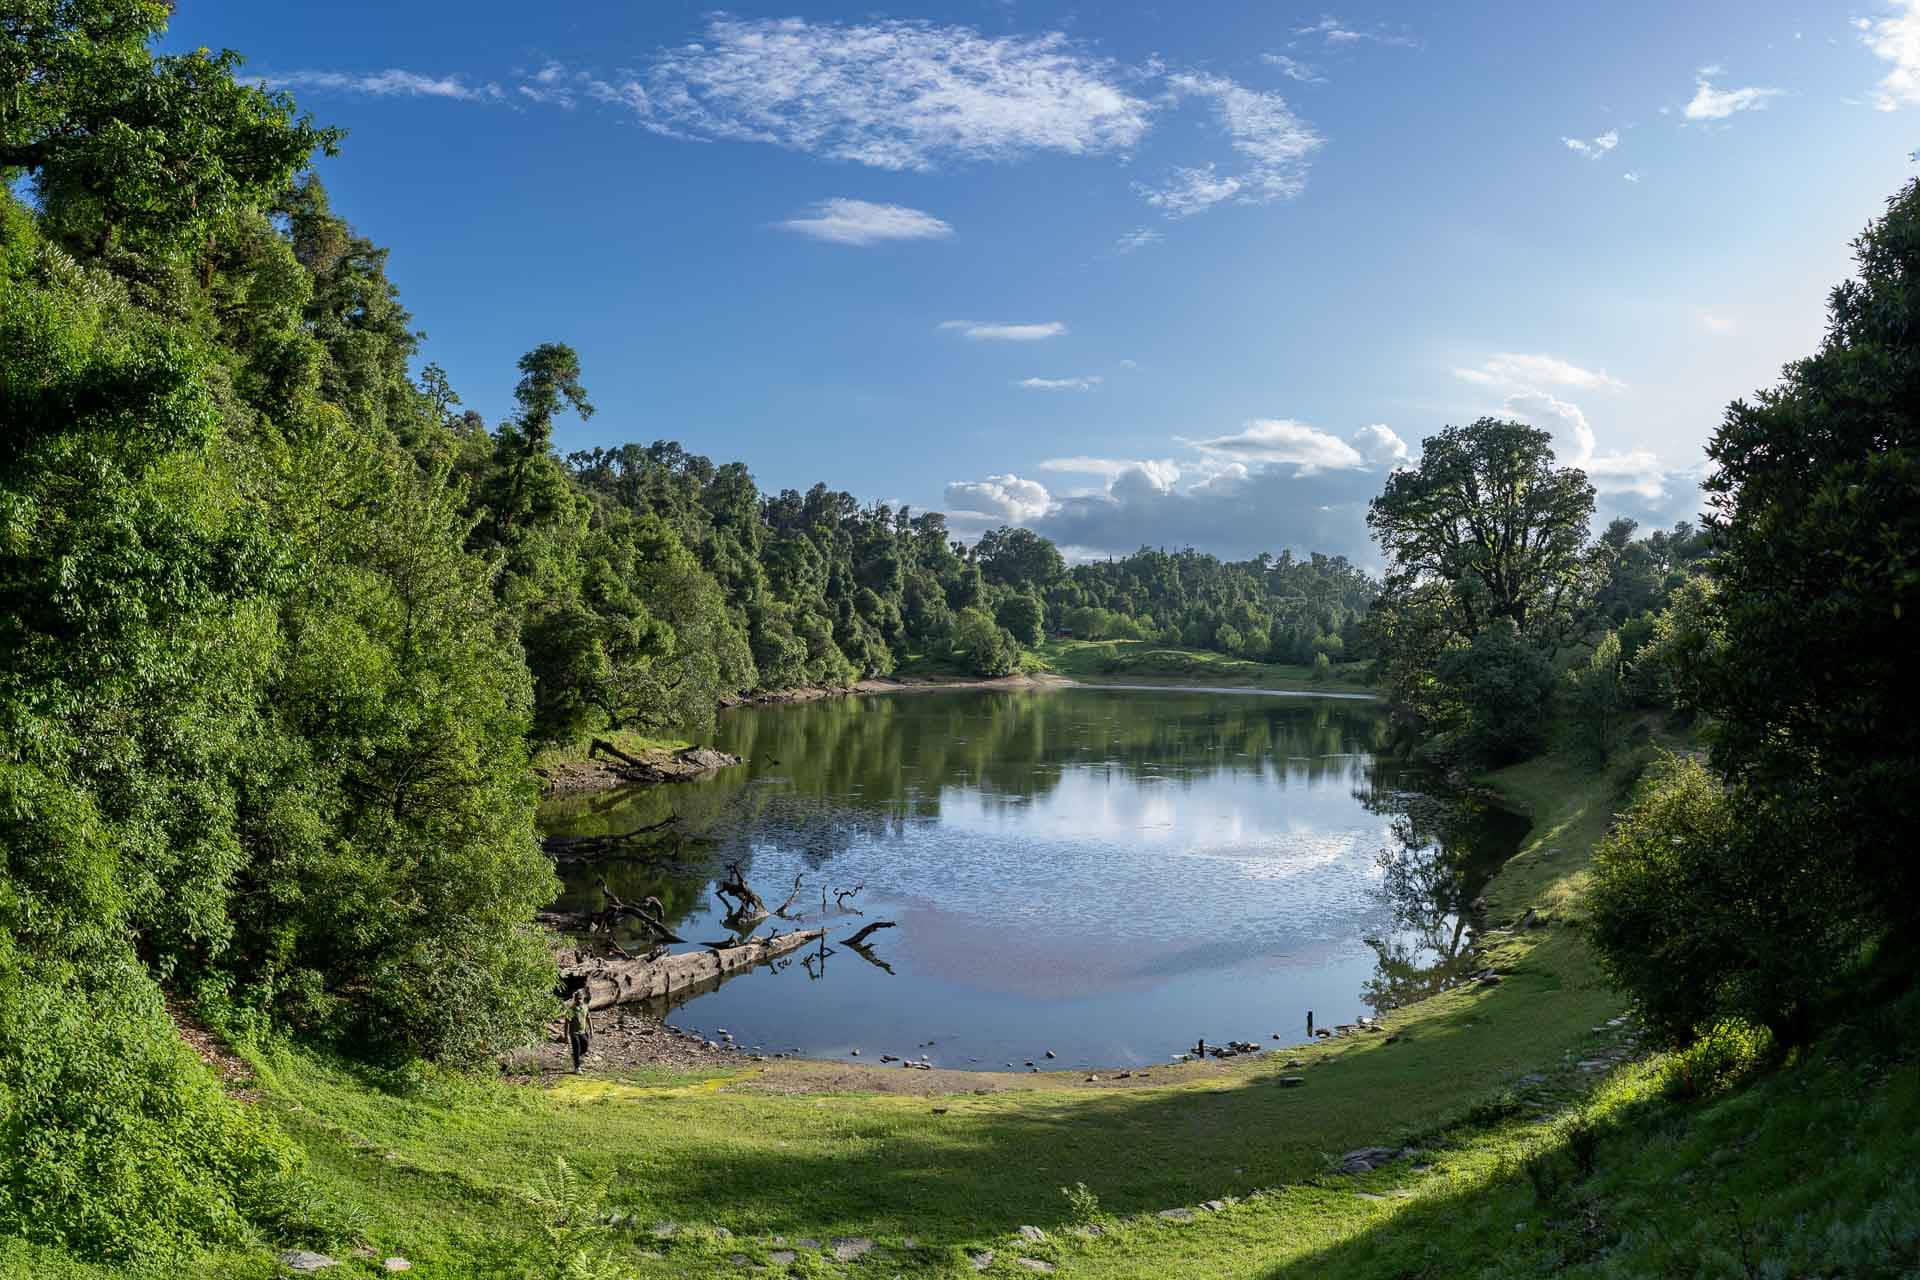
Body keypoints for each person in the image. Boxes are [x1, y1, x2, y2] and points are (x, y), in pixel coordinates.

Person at [566, 989, 593, 1073]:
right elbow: (566, 1023)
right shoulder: (571, 1010)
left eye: (580, 998)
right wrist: (566, 1035)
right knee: (576, 1048)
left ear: (583, 999)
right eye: (577, 999)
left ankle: (575, 1056)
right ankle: (577, 1068)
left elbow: (588, 1018)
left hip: (583, 1032)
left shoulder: (585, 1007)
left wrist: (591, 1030)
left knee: (585, 1046)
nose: (579, 1000)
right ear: (575, 999)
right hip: (574, 1032)